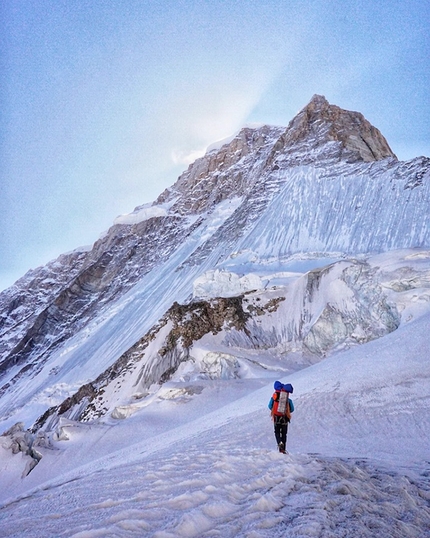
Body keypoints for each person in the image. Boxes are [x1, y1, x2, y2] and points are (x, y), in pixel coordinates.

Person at [268, 381, 294, 453]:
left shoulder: (274, 398)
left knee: (277, 432)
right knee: (284, 433)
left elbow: (270, 406)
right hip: (285, 418)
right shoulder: (288, 400)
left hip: (276, 417)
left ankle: (279, 443)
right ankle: (283, 449)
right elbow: (292, 409)